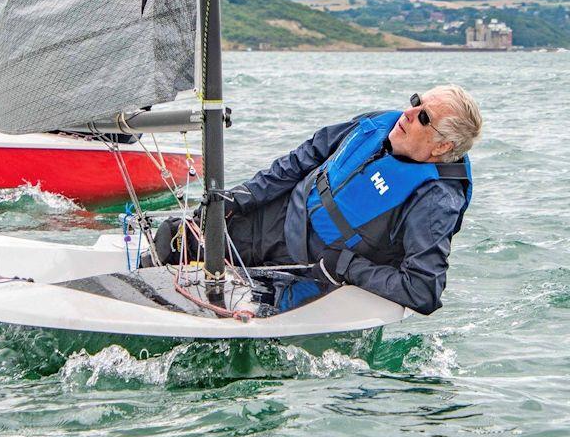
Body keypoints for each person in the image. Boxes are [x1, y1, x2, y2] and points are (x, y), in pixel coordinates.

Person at [153, 84, 482, 315]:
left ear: (441, 147)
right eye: (416, 101)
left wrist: (347, 267)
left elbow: (423, 290)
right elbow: (303, 158)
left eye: (424, 117)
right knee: (172, 239)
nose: (409, 113)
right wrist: (244, 197)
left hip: (310, 272)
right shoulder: (377, 124)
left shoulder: (435, 199)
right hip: (276, 217)